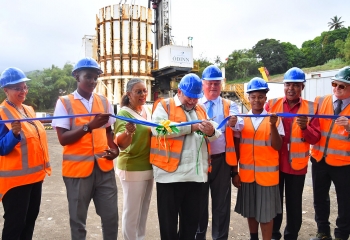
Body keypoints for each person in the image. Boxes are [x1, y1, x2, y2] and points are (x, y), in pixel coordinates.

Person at [51, 57, 119, 240]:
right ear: (76, 77)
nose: (92, 81)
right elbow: (63, 139)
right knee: (78, 221)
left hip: (104, 168)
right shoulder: (64, 103)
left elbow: (108, 131)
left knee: (111, 217)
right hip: (77, 173)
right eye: (88, 76)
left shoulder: (104, 101)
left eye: (95, 77)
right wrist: (89, 126)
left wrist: (114, 149)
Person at [150, 73, 221, 239]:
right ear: (179, 91)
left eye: (196, 98)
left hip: (196, 179)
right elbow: (158, 129)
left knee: (190, 228)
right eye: (189, 97)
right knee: (168, 229)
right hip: (169, 177)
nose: (192, 101)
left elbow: (215, 131)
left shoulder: (200, 109)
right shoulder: (164, 106)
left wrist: (211, 131)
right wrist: (191, 127)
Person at [264, 67, 321, 240]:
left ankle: (291, 236)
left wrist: (305, 128)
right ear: (284, 86)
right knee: (275, 204)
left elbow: (315, 138)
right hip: (275, 164)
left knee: (294, 205)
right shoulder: (272, 104)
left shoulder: (311, 108)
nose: (291, 88)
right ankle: (274, 235)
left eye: (296, 85)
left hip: (296, 166)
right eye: (288, 84)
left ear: (302, 87)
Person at [0, 67, 51, 239]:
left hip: (35, 177)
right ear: (6, 90)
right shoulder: (2, 114)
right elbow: (1, 148)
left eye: (24, 87)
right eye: (17, 88)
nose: (23, 91)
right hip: (16, 182)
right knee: (15, 225)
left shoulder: (28, 110)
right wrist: (13, 134)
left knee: (29, 222)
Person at [233, 77, 284, 240]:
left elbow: (277, 146)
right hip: (247, 176)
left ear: (265, 98)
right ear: (248, 98)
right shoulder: (241, 120)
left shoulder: (275, 119)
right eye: (253, 96)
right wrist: (235, 172)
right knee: (251, 210)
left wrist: (272, 126)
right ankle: (253, 237)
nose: (256, 100)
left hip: (267, 178)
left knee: (266, 214)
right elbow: (236, 148)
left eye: (260, 96)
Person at [196, 65, 243, 240]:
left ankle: (220, 237)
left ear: (221, 85)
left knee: (221, 205)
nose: (213, 87)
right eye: (210, 84)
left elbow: (240, 126)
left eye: (217, 83)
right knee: (199, 204)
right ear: (203, 84)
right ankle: (198, 236)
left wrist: (233, 122)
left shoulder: (230, 105)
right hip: (200, 160)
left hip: (222, 162)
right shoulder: (196, 104)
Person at [309, 66, 350, 240]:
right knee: (320, 199)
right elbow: (312, 127)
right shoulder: (321, 100)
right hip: (319, 159)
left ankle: (341, 235)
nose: (336, 88)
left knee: (345, 202)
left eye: (342, 86)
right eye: (334, 84)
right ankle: (323, 232)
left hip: (343, 164)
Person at [114, 78, 153, 240]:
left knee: (143, 210)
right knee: (132, 212)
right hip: (132, 168)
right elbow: (120, 143)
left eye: (144, 90)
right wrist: (128, 133)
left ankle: (140, 237)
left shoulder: (147, 110)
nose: (143, 94)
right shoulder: (124, 113)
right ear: (129, 94)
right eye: (139, 91)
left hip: (148, 166)